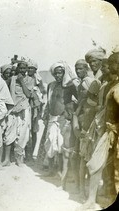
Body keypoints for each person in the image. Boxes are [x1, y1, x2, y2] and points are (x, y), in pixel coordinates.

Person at [81, 52, 119, 210]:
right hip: (107, 131)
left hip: (113, 131)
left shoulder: (116, 87)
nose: (108, 67)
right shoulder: (111, 83)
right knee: (96, 165)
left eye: (112, 64)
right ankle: (91, 199)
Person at [43, 61, 78, 190]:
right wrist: (46, 114)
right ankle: (51, 170)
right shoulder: (50, 86)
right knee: (50, 143)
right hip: (52, 118)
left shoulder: (69, 86)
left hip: (63, 119)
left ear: (64, 73)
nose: (58, 75)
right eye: (56, 73)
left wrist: (69, 112)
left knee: (62, 146)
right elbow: (49, 101)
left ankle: (62, 173)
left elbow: (79, 99)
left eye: (60, 72)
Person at [73, 79, 100, 199]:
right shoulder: (84, 102)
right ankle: (80, 189)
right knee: (83, 163)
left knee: (92, 164)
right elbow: (75, 115)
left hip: (95, 136)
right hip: (84, 135)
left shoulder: (101, 102)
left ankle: (90, 191)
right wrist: (76, 129)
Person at [3, 60, 33, 166]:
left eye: (24, 68)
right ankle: (6, 159)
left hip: (24, 109)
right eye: (20, 68)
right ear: (17, 68)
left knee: (22, 136)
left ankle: (19, 159)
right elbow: (4, 89)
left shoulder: (30, 79)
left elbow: (29, 94)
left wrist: (22, 81)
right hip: (12, 109)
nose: (22, 70)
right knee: (9, 133)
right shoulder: (12, 79)